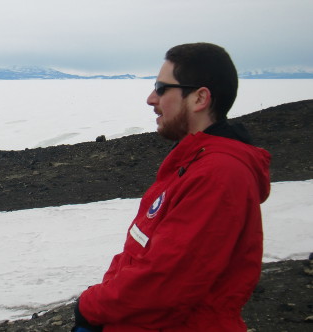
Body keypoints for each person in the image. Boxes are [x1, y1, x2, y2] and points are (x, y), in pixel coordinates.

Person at [73, 42, 271, 332]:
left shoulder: (219, 174)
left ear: (199, 98)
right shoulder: (190, 162)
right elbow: (139, 252)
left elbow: (164, 283)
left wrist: (88, 307)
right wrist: (102, 303)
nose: (151, 98)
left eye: (162, 88)